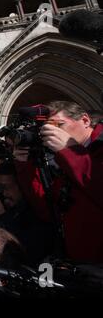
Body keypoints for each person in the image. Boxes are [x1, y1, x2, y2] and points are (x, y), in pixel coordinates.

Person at [15, 100, 103, 262]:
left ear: (85, 120)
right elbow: (48, 209)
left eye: (58, 125)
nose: (52, 133)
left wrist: (70, 151)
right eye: (47, 129)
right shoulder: (62, 159)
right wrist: (25, 166)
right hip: (82, 264)